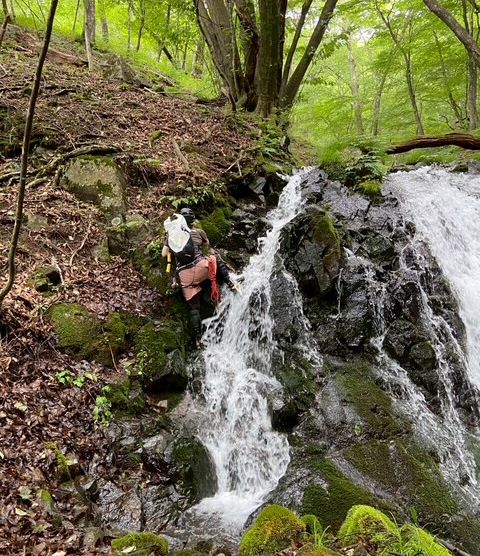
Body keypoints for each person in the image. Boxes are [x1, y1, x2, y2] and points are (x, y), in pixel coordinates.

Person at [162, 207, 237, 345]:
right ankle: (231, 283)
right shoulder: (199, 232)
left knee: (194, 308)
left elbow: (163, 254)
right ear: (193, 221)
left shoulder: (172, 236)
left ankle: (198, 340)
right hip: (202, 268)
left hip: (185, 276)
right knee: (215, 257)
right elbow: (207, 245)